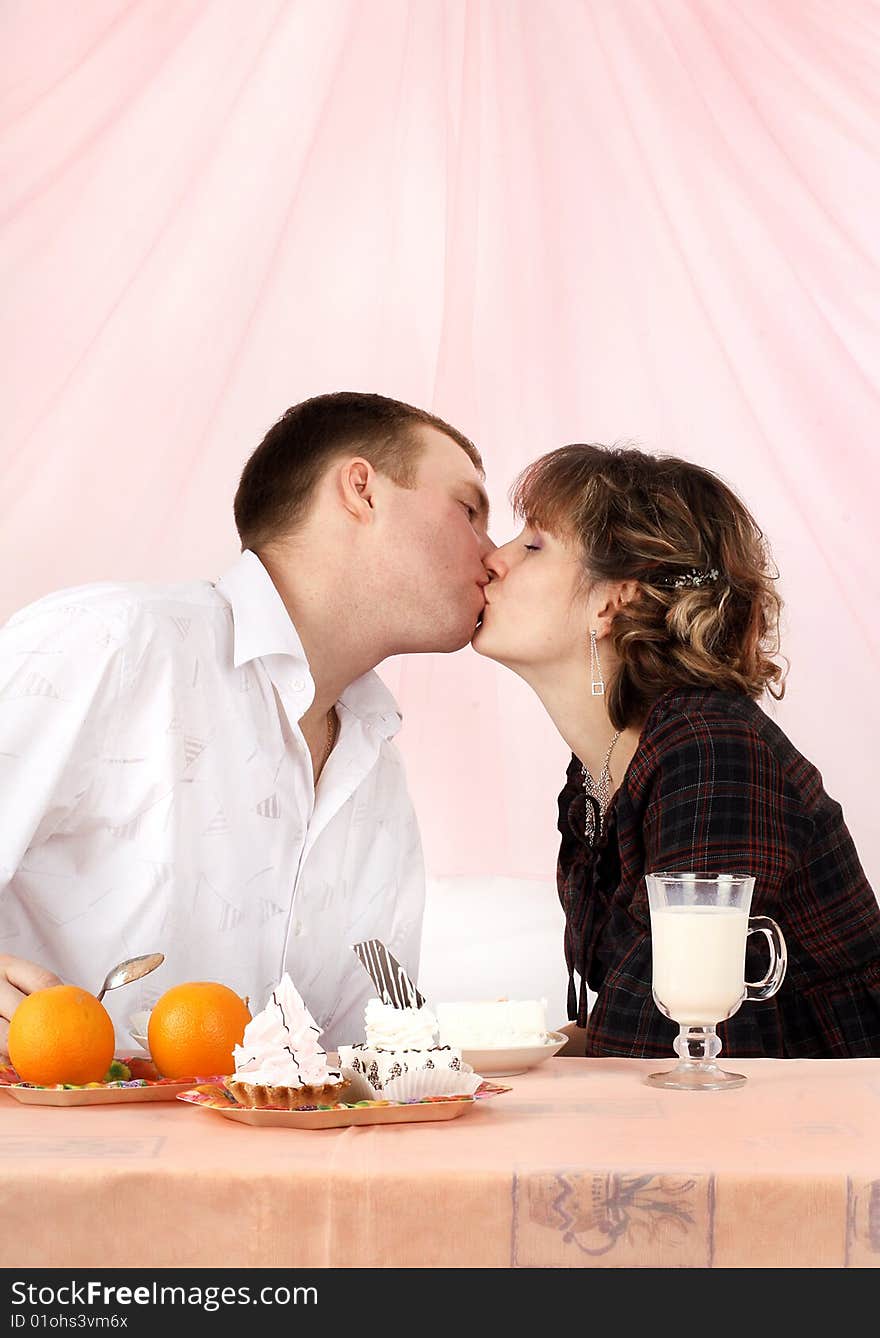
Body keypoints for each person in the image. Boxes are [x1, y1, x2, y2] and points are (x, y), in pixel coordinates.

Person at [0, 392, 493, 1054]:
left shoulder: (376, 765)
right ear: (361, 490)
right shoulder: (109, 646)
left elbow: (367, 1056)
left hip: (264, 1160)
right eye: (469, 510)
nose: (494, 556)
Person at [473, 442, 880, 1058]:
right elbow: (631, 1023)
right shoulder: (596, 773)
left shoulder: (710, 746)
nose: (493, 560)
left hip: (831, 1132)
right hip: (718, 1127)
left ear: (618, 601)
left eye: (532, 545)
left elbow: (663, 1039)